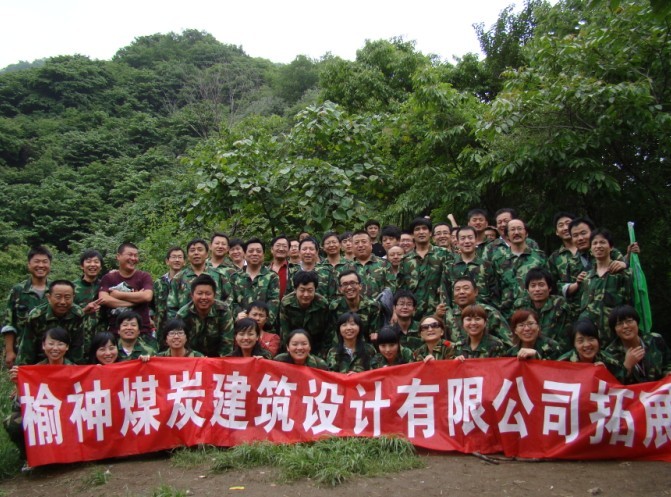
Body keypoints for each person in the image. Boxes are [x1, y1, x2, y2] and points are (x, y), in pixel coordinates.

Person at [7, 327, 73, 461]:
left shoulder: (76, 370)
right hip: (44, 417)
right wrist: (18, 384)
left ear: (67, 347)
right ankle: (29, 458)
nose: (55, 348)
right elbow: (19, 407)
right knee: (13, 421)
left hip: (68, 416)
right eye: (51, 343)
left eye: (60, 344)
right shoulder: (33, 372)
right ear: (43, 345)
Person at [2, 246, 52, 368]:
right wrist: (9, 351)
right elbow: (9, 323)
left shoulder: (55, 290)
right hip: (22, 351)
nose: (41, 265)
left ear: (50, 265)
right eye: (36, 261)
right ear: (29, 265)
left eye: (45, 262)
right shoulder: (18, 290)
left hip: (50, 353)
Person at [579, 229, 633, 342]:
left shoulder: (623, 273)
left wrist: (626, 263)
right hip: (591, 339)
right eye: (595, 243)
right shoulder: (586, 277)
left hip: (616, 336)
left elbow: (630, 303)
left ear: (611, 247)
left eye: (602, 242)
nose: (598, 246)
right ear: (591, 249)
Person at [17, 280, 86, 365]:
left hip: (66, 361)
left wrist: (79, 369)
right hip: (40, 360)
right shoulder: (36, 316)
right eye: (58, 297)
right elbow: (27, 347)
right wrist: (22, 369)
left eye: (67, 297)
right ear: (49, 297)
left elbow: (78, 346)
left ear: (73, 297)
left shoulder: (77, 314)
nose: (63, 302)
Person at [492, 218, 547, 319]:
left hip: (536, 313)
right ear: (507, 236)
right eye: (512, 230)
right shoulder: (498, 260)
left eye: (519, 229)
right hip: (508, 314)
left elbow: (548, 285)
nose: (516, 232)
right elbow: (494, 288)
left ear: (526, 233)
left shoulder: (539, 257)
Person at [397, 217, 451, 320]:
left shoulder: (444, 254)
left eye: (424, 228)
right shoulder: (405, 260)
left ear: (430, 233)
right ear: (412, 235)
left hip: (440, 312)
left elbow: (452, 283)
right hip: (414, 315)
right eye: (417, 229)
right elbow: (401, 289)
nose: (421, 232)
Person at [98, 242, 154, 341]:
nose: (133, 258)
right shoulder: (109, 278)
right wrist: (135, 301)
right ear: (118, 256)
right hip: (116, 334)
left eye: (136, 255)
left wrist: (118, 295)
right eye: (130, 255)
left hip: (142, 334)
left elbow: (147, 296)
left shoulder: (144, 276)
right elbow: (103, 299)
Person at [167, 238, 231, 321]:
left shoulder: (219, 275)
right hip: (186, 324)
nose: (196, 253)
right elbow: (171, 307)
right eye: (192, 250)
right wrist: (175, 325)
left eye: (200, 250)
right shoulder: (178, 278)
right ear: (188, 256)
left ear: (207, 254)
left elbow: (229, 299)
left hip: (215, 323)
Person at [604, 305, 671, 384]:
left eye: (629, 321)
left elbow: (668, 363)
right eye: (619, 324)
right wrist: (627, 366)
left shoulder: (655, 339)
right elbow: (612, 384)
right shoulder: (609, 354)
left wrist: (668, 373)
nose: (625, 326)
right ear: (614, 329)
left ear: (637, 323)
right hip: (632, 392)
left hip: (659, 390)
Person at [175, 274, 235, 357]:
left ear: (214, 295)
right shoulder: (183, 314)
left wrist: (220, 362)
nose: (204, 297)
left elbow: (227, 343)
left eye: (208, 294)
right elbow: (180, 343)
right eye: (200, 293)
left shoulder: (223, 311)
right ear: (192, 295)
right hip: (192, 359)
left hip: (217, 358)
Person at [442, 276, 513, 346]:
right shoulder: (448, 314)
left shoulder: (489, 313)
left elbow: (509, 343)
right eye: (457, 289)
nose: (461, 292)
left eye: (466, 288)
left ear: (476, 292)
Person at [513, 267, 571, 349]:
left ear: (549, 288)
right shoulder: (520, 305)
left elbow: (565, 338)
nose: (537, 289)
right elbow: (516, 333)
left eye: (541, 285)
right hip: (526, 350)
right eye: (533, 286)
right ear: (527, 290)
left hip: (553, 351)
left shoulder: (559, 304)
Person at [228, 238, 280, 325]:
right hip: (241, 326)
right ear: (244, 254)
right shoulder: (235, 277)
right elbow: (232, 301)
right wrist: (240, 316)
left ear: (263, 254)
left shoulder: (272, 277)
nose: (255, 254)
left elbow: (274, 301)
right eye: (251, 251)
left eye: (258, 251)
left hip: (265, 327)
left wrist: (262, 319)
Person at [279, 270, 331, 357]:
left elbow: (327, 334)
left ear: (315, 290)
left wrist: (321, 356)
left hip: (316, 349)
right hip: (293, 348)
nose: (306, 294)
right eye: (302, 290)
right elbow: (285, 332)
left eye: (310, 290)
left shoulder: (322, 304)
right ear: (295, 289)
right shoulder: (286, 303)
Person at [447, 225, 499, 307]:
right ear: (457, 242)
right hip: (457, 312)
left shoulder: (487, 265)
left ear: (476, 240)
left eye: (470, 237)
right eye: (463, 238)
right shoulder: (449, 266)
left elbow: (495, 295)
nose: (467, 241)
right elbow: (445, 295)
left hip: (482, 311)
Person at [329, 269, 382, 343]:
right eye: (345, 284)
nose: (349, 287)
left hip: (366, 346)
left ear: (360, 286)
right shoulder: (334, 307)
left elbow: (374, 334)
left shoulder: (373, 307)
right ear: (340, 289)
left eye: (353, 283)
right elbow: (333, 335)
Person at [558, 319, 622, 376]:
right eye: (581, 341)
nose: (587, 344)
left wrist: (606, 374)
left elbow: (621, 384)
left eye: (591, 339)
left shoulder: (611, 362)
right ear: (574, 344)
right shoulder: (563, 363)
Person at [351, 230, 396, 299]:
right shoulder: (346, 267)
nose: (360, 245)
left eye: (364, 242)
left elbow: (391, 290)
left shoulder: (384, 264)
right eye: (356, 243)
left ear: (371, 245)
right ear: (352, 246)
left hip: (379, 305)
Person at [153, 246, 185, 338]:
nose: (177, 260)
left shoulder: (189, 282)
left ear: (184, 262)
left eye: (180, 257)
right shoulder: (159, 283)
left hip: (182, 327)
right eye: (174, 257)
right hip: (161, 328)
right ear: (167, 261)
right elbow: (152, 305)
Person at [72, 249, 104, 335]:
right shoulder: (72, 287)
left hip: (101, 337)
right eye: (88, 262)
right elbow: (65, 313)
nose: (92, 264)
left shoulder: (105, 286)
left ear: (101, 267)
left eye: (96, 262)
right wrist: (83, 310)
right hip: (77, 336)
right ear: (82, 266)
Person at [268, 234, 291, 300]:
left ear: (289, 250)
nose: (281, 249)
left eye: (284, 246)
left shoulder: (295, 270)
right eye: (278, 245)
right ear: (272, 249)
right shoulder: (264, 271)